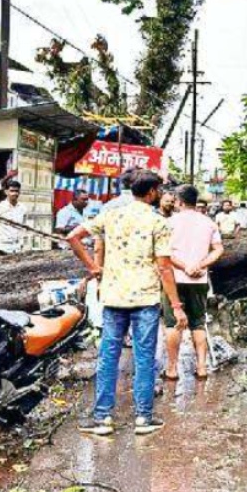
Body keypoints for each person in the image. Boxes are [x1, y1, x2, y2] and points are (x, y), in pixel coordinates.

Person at [67, 170, 186, 437]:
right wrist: (177, 306)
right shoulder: (159, 223)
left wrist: (94, 268)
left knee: (108, 356)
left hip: (113, 296)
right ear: (153, 191)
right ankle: (143, 419)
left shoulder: (111, 215)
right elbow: (165, 268)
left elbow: (72, 237)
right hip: (145, 297)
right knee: (144, 358)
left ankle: (102, 419)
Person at [164, 185, 224, 380]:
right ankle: (201, 367)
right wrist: (199, 265)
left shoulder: (169, 223)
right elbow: (218, 249)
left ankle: (172, 369)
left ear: (179, 202)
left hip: (174, 279)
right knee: (198, 323)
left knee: (174, 323)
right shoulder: (209, 223)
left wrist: (184, 267)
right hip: (199, 280)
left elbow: (165, 253)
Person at [0, 181, 27, 259]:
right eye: (12, 191)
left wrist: (24, 245)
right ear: (6, 192)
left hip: (17, 249)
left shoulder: (23, 209)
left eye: (17, 191)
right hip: (1, 249)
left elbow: (24, 229)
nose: (14, 194)